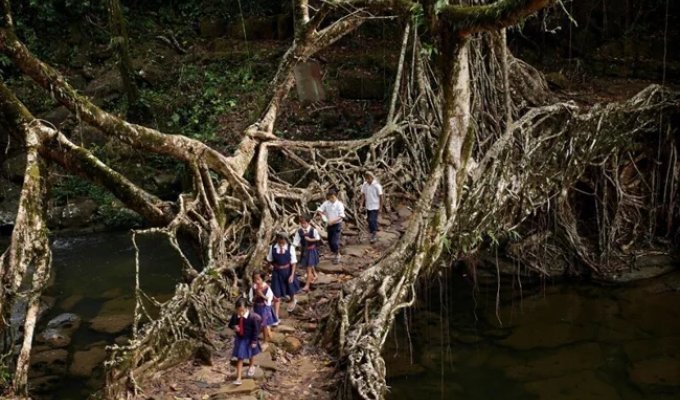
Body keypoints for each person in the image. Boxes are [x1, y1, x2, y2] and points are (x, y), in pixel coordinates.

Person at [228, 297, 262, 385]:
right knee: (240, 357)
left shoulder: (253, 317)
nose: (241, 313)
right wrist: (234, 327)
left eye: (242, 311)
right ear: (236, 309)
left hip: (250, 338)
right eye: (239, 311)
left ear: (247, 308)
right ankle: (238, 378)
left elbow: (256, 330)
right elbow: (230, 324)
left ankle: (251, 366)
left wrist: (254, 341)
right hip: (240, 339)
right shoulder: (235, 315)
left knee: (251, 353)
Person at [266, 231, 300, 317]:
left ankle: (293, 299)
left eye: (283, 242)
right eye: (279, 241)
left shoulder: (290, 248)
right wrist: (268, 269)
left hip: (287, 271)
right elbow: (269, 260)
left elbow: (293, 262)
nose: (281, 243)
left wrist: (292, 275)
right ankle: (276, 315)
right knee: (276, 293)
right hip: (276, 272)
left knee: (290, 287)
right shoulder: (273, 247)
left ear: (286, 240)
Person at [316, 189, 346, 264]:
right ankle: (334, 252)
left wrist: (333, 221)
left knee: (334, 241)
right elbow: (320, 210)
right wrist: (323, 216)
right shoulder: (326, 203)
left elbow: (341, 216)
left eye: (332, 197)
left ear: (336, 196)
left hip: (337, 224)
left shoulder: (339, 204)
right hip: (329, 224)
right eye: (330, 197)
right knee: (329, 240)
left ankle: (338, 255)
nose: (331, 199)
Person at [292, 214, 320, 291]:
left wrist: (310, 240)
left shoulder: (313, 230)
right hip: (304, 251)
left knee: (308, 268)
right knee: (308, 265)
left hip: (311, 250)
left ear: (309, 222)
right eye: (301, 223)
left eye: (304, 223)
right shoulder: (299, 231)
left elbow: (318, 239)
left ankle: (307, 285)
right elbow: (295, 242)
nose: (303, 225)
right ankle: (315, 274)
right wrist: (292, 249)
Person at [249, 270, 278, 343]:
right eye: (255, 279)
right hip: (256, 307)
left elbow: (269, 299)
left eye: (258, 279)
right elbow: (250, 299)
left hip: (264, 308)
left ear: (262, 279)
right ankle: (256, 336)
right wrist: (256, 296)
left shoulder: (267, 288)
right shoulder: (253, 288)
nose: (256, 281)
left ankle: (265, 341)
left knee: (264, 323)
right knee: (256, 322)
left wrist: (261, 295)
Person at [359, 171, 383, 243]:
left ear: (372, 177)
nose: (368, 180)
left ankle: (374, 234)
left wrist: (381, 207)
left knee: (371, 220)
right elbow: (363, 195)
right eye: (366, 178)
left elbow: (381, 197)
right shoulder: (365, 185)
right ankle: (373, 231)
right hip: (368, 205)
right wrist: (361, 204)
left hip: (375, 206)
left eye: (369, 178)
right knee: (370, 220)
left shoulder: (377, 185)